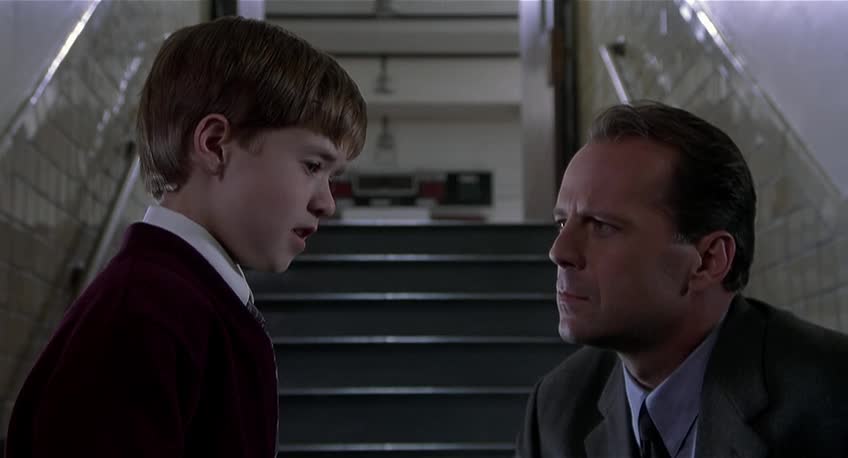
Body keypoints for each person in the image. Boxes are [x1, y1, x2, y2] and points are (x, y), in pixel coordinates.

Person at [6, 16, 366, 458]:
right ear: (214, 145)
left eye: (332, 176)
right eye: (312, 166)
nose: (327, 203)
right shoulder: (143, 316)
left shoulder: (191, 304)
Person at [515, 101, 848, 458]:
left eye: (601, 226)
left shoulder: (833, 396)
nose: (559, 251)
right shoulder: (557, 409)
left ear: (708, 261)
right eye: (562, 223)